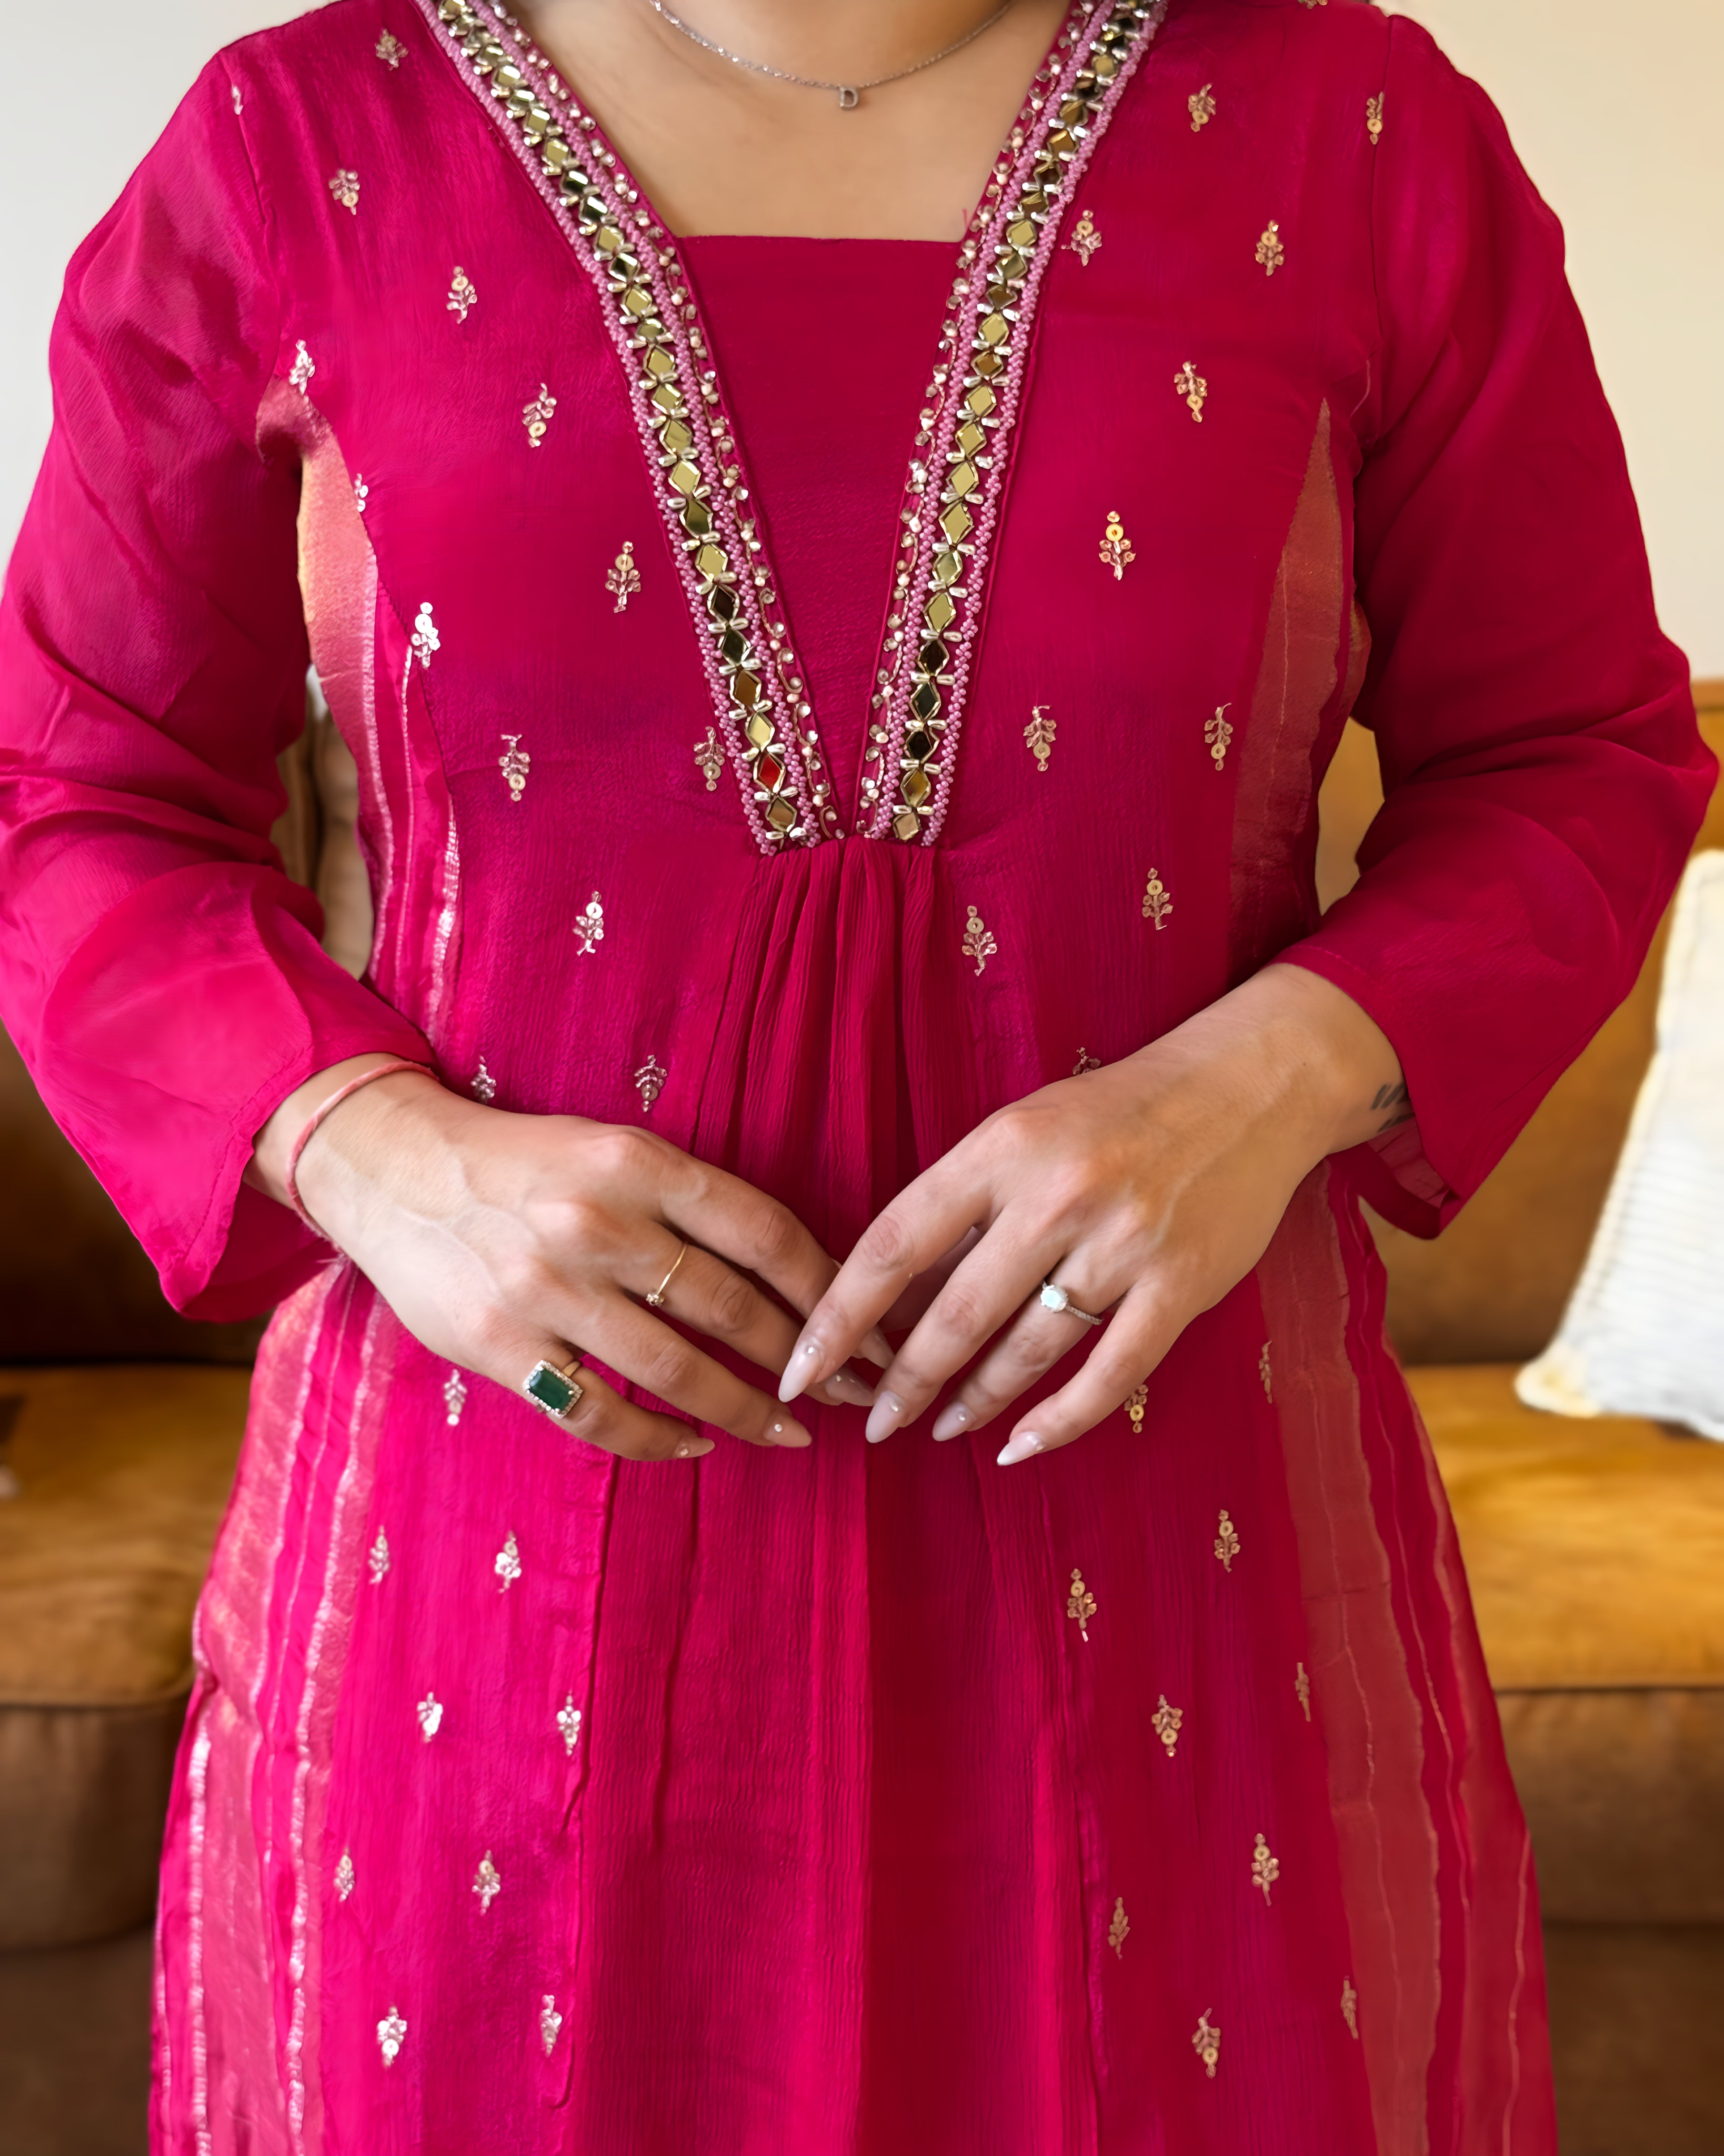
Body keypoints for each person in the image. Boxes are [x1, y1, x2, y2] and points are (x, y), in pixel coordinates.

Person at [0, 0, 1710, 2148]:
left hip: (1172, 1546)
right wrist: (374, 1148)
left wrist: (1274, 1075)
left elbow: (1575, 757)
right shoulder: (303, 145)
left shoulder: (1353, 135)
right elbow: (74, 801)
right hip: (501, 1556)